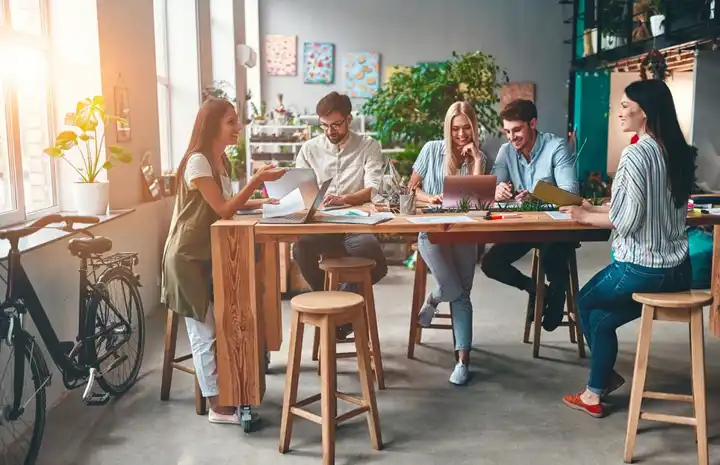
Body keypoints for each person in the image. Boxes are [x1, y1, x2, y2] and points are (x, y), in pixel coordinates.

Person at [561, 79, 696, 418]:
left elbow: (628, 220)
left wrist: (581, 216)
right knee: (602, 320)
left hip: (642, 271)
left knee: (585, 300)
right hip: (678, 271)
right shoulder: (674, 150)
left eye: (625, 105)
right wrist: (592, 210)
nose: (619, 111)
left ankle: (600, 381)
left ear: (644, 112)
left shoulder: (636, 153)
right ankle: (595, 391)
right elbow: (642, 210)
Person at [161, 97, 286, 424]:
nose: (237, 127)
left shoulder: (219, 162)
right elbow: (224, 210)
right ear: (212, 125)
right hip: (187, 259)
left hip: (205, 255)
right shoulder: (198, 162)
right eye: (231, 121)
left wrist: (263, 204)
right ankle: (217, 407)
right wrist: (256, 182)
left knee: (218, 326)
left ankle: (231, 391)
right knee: (205, 335)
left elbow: (228, 205)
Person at [292, 91, 387, 338]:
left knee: (375, 258)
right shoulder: (309, 149)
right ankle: (334, 307)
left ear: (348, 119)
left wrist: (345, 199)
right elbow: (300, 187)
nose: (329, 131)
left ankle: (338, 308)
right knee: (300, 249)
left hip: (355, 221)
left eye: (335, 124)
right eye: (324, 125)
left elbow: (373, 188)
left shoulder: (368, 145)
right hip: (322, 222)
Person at [480, 99, 578, 331]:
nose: (512, 137)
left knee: (552, 253)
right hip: (524, 227)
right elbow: (492, 185)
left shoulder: (556, 147)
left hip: (555, 228)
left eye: (517, 130)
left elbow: (570, 192)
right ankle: (536, 288)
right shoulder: (506, 151)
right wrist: (497, 190)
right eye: (507, 131)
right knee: (490, 264)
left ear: (532, 123)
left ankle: (557, 290)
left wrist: (538, 197)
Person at [407, 101, 485, 385]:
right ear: (448, 128)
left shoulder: (478, 157)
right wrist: (432, 198)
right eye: (455, 129)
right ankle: (434, 299)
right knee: (452, 288)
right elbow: (411, 190)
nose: (461, 134)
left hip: (464, 232)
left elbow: (477, 203)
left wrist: (475, 161)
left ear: (474, 127)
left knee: (462, 294)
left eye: (466, 128)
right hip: (432, 232)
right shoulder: (431, 149)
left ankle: (463, 362)